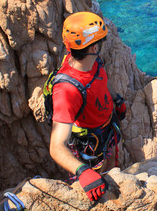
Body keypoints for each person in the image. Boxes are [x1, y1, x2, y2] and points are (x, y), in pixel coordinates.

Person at [49, 11, 126, 202]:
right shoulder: (67, 91)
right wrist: (83, 171)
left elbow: (102, 80)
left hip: (106, 129)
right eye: (100, 41)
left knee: (105, 166)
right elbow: (56, 146)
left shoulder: (93, 62)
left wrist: (116, 100)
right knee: (98, 184)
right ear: (93, 47)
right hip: (89, 144)